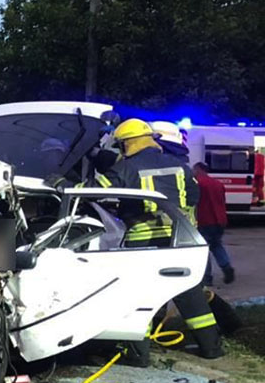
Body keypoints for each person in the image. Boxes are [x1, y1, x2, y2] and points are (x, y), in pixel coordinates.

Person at [99, 119, 220, 358]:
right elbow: (194, 196)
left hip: (144, 243)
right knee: (191, 295)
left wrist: (61, 184)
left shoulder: (126, 167)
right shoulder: (179, 166)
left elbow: (93, 188)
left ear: (127, 144)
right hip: (182, 240)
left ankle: (137, 353)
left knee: (141, 295)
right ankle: (212, 348)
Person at [194, 161, 235, 285]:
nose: (193, 172)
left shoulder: (198, 184)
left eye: (194, 170)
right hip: (220, 220)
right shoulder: (217, 183)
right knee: (216, 245)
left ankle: (206, 278)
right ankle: (226, 266)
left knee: (204, 249)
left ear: (199, 170)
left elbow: (195, 203)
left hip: (205, 220)